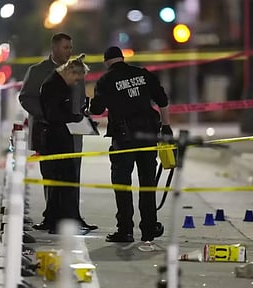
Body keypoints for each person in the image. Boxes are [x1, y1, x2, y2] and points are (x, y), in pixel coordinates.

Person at [89, 46, 173, 248]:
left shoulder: (105, 80)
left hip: (123, 139)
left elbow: (97, 109)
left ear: (106, 62)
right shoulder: (142, 74)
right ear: (122, 58)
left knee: (122, 184)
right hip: (148, 135)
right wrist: (167, 126)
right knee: (147, 183)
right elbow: (162, 100)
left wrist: (89, 104)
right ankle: (149, 229)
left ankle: (125, 230)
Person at [18, 33, 97, 232]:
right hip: (48, 131)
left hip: (73, 132)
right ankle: (51, 218)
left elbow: (78, 99)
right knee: (52, 176)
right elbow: (26, 98)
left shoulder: (73, 70)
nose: (69, 51)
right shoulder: (38, 71)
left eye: (70, 47)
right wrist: (46, 115)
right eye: (65, 47)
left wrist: (83, 114)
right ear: (54, 48)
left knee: (73, 175)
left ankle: (73, 216)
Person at [39, 54, 91, 234]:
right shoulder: (54, 86)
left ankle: (55, 220)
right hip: (57, 139)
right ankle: (60, 223)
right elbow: (54, 115)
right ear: (69, 71)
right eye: (77, 77)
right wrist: (75, 118)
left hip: (60, 137)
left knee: (59, 181)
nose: (77, 81)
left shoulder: (57, 84)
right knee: (63, 180)